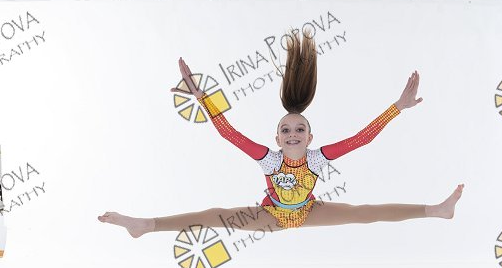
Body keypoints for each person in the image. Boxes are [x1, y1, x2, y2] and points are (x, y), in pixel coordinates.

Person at [98, 30, 463, 238]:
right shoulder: (269, 160)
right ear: (276, 139)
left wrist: (398, 107)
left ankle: (436, 210)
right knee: (216, 214)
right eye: (285, 129)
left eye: (299, 129)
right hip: (271, 215)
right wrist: (201, 96)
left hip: (310, 211)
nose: (292, 133)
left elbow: (362, 137)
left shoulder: (318, 158)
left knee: (365, 212)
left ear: (310, 137)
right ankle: (146, 224)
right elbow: (228, 133)